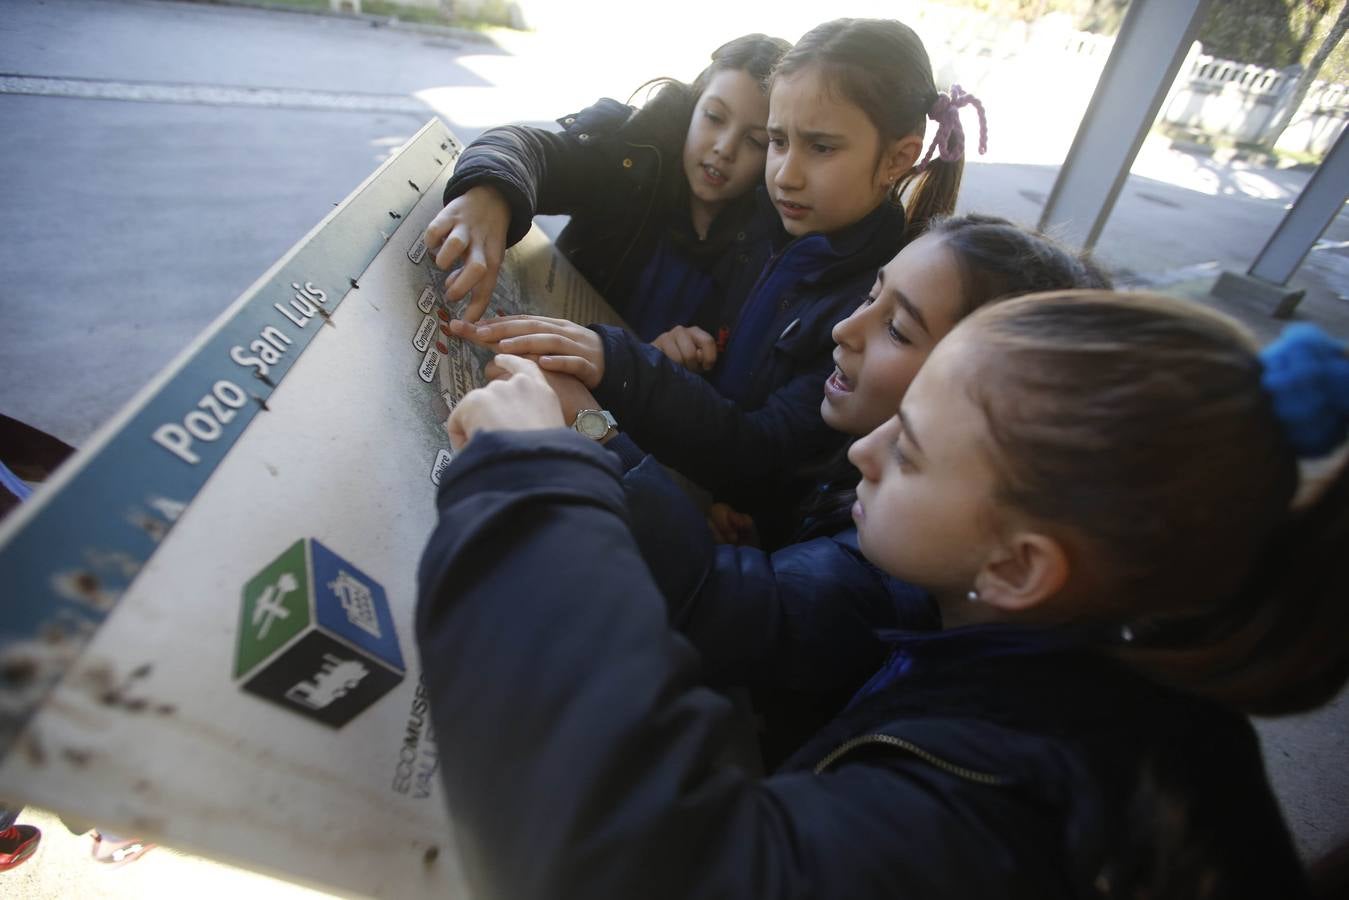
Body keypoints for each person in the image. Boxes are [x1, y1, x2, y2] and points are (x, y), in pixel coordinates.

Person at [416, 293, 1346, 899]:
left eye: (910, 451)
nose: (866, 449)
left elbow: (638, 863)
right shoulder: (1076, 682)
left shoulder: (1007, 804)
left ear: (1021, 568)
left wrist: (530, 477)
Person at [449, 18, 988, 525]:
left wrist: (624, 365)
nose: (786, 175)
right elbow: (551, 152)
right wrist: (493, 189)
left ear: (899, 158)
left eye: (820, 147)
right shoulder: (768, 225)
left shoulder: (872, 301)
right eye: (778, 142)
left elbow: (767, 451)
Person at [637, 216, 1110, 767]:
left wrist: (587, 425)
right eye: (868, 295)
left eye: (898, 330)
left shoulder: (907, 568)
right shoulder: (860, 466)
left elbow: (715, 604)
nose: (844, 328)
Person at [425, 33, 789, 341]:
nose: (724, 148)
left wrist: (672, 367)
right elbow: (525, 147)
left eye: (755, 141)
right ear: (692, 107)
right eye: (713, 117)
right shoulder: (629, 158)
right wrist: (491, 192)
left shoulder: (774, 243)